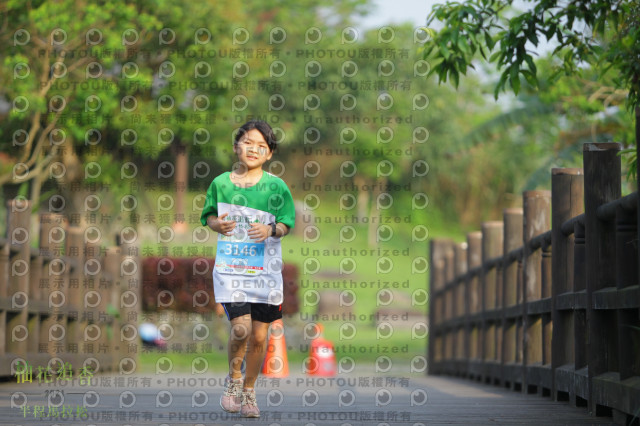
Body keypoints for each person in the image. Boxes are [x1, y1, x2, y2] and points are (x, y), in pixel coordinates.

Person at [200, 120, 295, 418]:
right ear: (236, 146)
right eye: (248, 142)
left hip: (265, 272)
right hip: (232, 269)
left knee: (258, 336)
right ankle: (234, 381)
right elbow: (209, 217)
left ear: (269, 154)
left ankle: (250, 391)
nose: (253, 149)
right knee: (240, 328)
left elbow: (286, 223)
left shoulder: (277, 187)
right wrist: (218, 224)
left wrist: (271, 230)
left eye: (261, 146)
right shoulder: (221, 183)